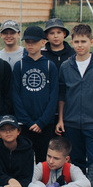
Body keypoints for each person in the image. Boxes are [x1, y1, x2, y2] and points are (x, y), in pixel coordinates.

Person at [57, 23, 93, 171]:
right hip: (71, 123)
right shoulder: (65, 66)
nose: (80, 45)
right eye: (76, 41)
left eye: (83, 41)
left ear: (91, 42)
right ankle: (79, 186)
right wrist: (61, 119)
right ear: (71, 43)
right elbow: (62, 95)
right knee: (76, 161)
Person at [12, 25, 60, 163]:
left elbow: (54, 96)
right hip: (24, 123)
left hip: (45, 124)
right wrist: (27, 121)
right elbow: (15, 95)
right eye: (27, 42)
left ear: (43, 42)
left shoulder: (50, 66)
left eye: (34, 42)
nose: (30, 45)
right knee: (24, 159)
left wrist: (41, 122)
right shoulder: (19, 66)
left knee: (43, 160)